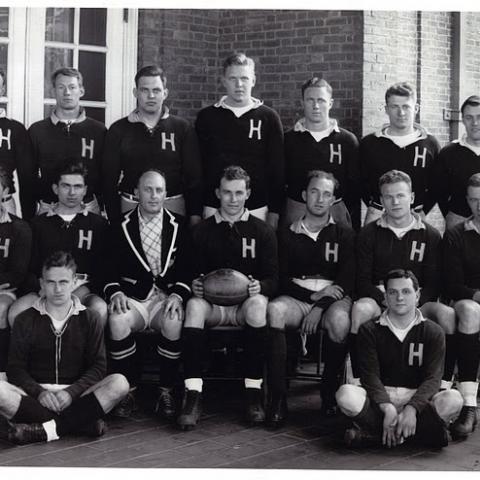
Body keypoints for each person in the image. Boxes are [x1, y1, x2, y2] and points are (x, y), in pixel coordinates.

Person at [177, 165, 278, 429]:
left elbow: (274, 278)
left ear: (248, 194)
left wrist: (261, 287)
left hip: (245, 303)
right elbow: (187, 272)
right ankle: (193, 394)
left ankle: (253, 392)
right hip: (213, 305)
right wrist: (195, 285)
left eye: (238, 193)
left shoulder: (263, 231)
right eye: (227, 193)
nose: (233, 199)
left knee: (258, 305)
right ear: (217, 194)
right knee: (194, 307)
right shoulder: (202, 231)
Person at [0, 251, 129, 445]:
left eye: (64, 282)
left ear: (75, 282)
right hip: (35, 396)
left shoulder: (90, 318)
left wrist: (71, 393)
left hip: (77, 395)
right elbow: (16, 369)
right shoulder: (25, 319)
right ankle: (79, 423)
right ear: (42, 284)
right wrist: (40, 393)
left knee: (120, 383)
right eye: (51, 282)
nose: (58, 289)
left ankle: (45, 430)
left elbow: (98, 367)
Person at [349, 170, 455, 390]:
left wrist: (412, 303)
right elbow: (361, 281)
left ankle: (442, 385)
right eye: (388, 196)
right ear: (381, 200)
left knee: (447, 314)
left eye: (400, 195)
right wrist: (386, 300)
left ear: (412, 197)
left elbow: (434, 282)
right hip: (380, 299)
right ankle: (358, 383)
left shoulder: (430, 235)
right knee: (360, 309)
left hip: (417, 301)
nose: (395, 202)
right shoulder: (368, 234)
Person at [336, 269, 463, 449]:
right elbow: (370, 377)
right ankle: (420, 436)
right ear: (385, 297)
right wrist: (387, 407)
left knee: (454, 399)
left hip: (417, 399)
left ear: (417, 295)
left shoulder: (433, 331)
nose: (399, 298)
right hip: (380, 399)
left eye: (406, 291)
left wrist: (412, 408)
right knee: (345, 394)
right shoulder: (369, 330)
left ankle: (375, 435)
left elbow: (433, 379)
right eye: (392, 292)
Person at [266, 170, 355, 428]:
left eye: (327, 194)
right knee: (275, 311)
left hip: (332, 298)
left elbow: (347, 281)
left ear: (333, 200)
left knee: (339, 321)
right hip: (297, 294)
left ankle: (328, 394)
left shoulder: (345, 234)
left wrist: (319, 306)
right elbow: (279, 279)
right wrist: (311, 297)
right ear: (304, 195)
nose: (319, 199)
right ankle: (278, 399)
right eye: (314, 192)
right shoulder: (285, 233)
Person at [105, 169, 192, 420]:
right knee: (117, 319)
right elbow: (106, 268)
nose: (154, 196)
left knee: (174, 320)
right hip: (134, 296)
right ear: (136, 193)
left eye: (159, 190)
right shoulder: (119, 225)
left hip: (165, 298)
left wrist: (177, 295)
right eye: (147, 189)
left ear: (166, 194)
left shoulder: (180, 225)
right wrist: (115, 293)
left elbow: (188, 268)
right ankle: (128, 391)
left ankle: (166, 390)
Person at [8, 162, 109, 327]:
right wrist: (43, 287)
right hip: (46, 288)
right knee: (17, 312)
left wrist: (85, 289)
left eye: (77, 186)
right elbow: (28, 268)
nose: (72, 192)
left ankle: (91, 353)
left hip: (82, 288)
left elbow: (103, 268)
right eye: (65, 186)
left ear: (85, 190)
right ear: (55, 189)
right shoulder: (37, 224)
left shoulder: (98, 224)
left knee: (99, 309)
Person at [102, 65, 202, 226]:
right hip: (130, 205)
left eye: (156, 90)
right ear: (135, 93)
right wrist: (114, 217)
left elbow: (194, 178)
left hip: (173, 206)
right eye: (144, 90)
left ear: (165, 93)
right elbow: (108, 180)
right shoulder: (119, 129)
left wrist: (195, 214)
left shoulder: (182, 128)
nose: (151, 96)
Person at [195, 53, 284, 230]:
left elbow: (277, 168)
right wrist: (196, 211)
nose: (239, 84)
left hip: (257, 207)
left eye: (244, 78)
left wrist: (275, 211)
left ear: (253, 80)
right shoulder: (207, 117)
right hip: (215, 206)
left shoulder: (269, 117)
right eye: (233, 78)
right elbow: (197, 168)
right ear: (223, 81)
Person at [284, 77, 360, 228]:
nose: (316, 106)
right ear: (302, 103)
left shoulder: (347, 141)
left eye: (321, 100)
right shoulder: (288, 139)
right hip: (296, 211)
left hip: (335, 211)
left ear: (330, 103)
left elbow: (354, 189)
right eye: (310, 100)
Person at [28, 67, 106, 215]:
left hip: (88, 207)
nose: (67, 93)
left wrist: (99, 203)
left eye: (72, 87)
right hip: (49, 208)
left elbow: (106, 175)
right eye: (61, 87)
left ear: (81, 91)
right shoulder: (37, 130)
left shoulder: (98, 131)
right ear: (53, 91)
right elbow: (29, 177)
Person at [360, 82, 440, 224]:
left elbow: (437, 184)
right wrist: (376, 206)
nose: (401, 113)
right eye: (394, 106)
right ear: (386, 109)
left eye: (406, 107)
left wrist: (423, 209)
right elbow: (361, 182)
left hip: (416, 216)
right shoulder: (369, 143)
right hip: (378, 215)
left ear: (416, 108)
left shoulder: (430, 144)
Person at [443, 172, 480, 438]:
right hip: (468, 302)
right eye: (475, 200)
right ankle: (469, 404)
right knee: (469, 310)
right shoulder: (457, 234)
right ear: (468, 201)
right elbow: (451, 284)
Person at [0, 167, 32, 381]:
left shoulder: (19, 228)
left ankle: (1, 375)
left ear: (4, 192)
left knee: (0, 308)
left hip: (5, 290)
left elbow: (17, 273)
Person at [433, 95, 480, 229]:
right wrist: (452, 216)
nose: (475, 123)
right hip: (458, 222)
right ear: (463, 120)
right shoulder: (449, 153)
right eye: (469, 117)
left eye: (479, 117)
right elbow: (440, 191)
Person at [0, 69, 36, 219]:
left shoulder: (15, 129)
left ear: (2, 90)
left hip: (4, 204)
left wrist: (28, 218)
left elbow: (26, 178)